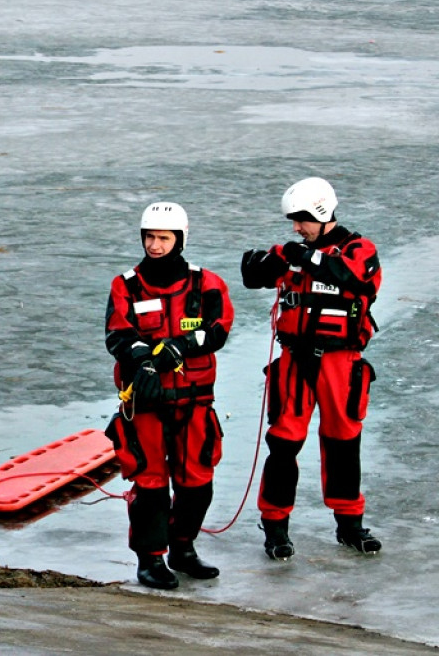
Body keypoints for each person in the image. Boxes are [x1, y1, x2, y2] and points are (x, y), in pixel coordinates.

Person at [241, 176, 382, 560]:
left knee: (342, 442)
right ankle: (275, 528)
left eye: (301, 219)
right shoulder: (292, 251)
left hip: (341, 362)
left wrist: (306, 257)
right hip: (294, 360)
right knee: (283, 444)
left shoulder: (359, 250)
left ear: (321, 213)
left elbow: (351, 276)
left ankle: (350, 524)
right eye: (293, 220)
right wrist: (274, 258)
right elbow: (251, 275)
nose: (295, 227)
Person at [104, 202, 234, 590]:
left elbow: (219, 329)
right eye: (149, 237)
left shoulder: (206, 283)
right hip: (146, 402)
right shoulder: (125, 284)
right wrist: (142, 360)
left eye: (163, 238)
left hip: (194, 402)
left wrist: (179, 346)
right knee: (151, 483)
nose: (155, 245)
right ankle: (150, 559)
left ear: (180, 239)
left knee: (197, 481)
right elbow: (117, 335)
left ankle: (183, 549)